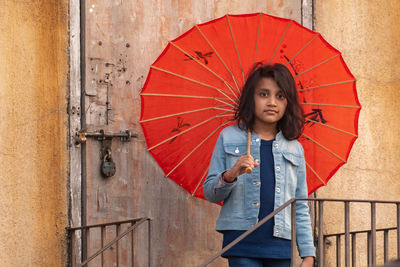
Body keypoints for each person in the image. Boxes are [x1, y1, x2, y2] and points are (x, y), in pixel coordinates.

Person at [203, 63, 315, 267]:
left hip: (281, 246)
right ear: (251, 99)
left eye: (280, 96)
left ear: (288, 102)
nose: (272, 102)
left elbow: (299, 205)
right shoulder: (229, 137)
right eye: (264, 94)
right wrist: (232, 173)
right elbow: (211, 192)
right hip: (241, 242)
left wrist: (308, 253)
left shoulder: (294, 149)